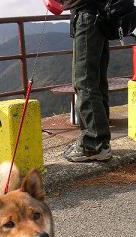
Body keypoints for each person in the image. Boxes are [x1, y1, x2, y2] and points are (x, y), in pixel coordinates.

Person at [53, 1, 112, 162]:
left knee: (84, 82)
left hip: (88, 17)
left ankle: (94, 144)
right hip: (99, 17)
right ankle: (100, 142)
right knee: (96, 81)